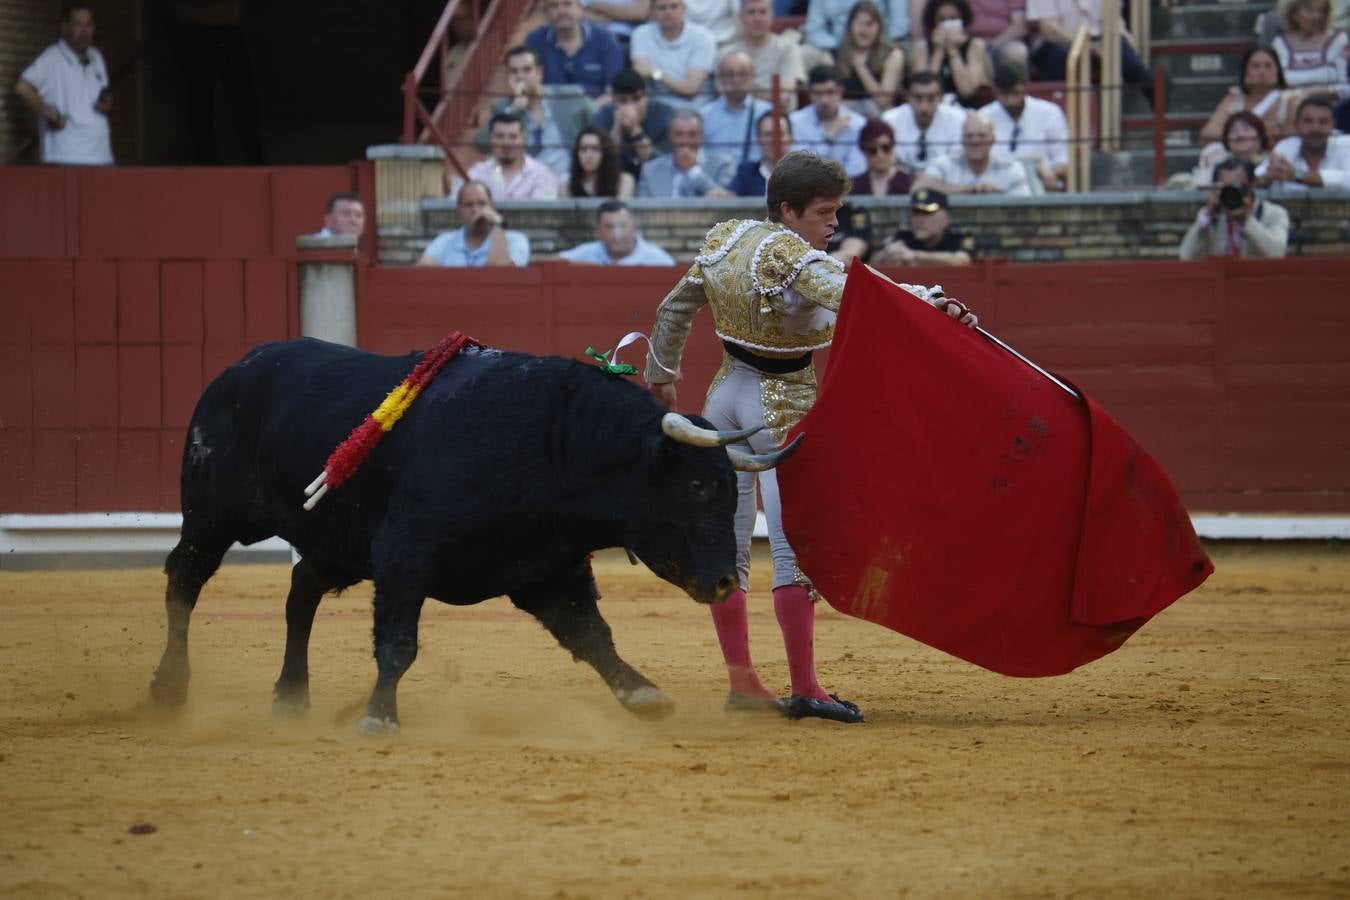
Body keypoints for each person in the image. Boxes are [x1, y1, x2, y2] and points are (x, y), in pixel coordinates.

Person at [642, 151, 977, 724]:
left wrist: (660, 376)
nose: (834, 224)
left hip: (723, 398)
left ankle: (744, 684)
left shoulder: (727, 238)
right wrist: (934, 303)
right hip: (782, 406)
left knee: (730, 541)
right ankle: (805, 687)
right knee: (794, 544)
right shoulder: (793, 257)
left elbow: (674, 307)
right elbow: (857, 293)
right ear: (788, 211)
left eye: (838, 210)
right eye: (824, 212)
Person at [14, 2, 113, 165]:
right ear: (64, 27)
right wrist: (50, 113)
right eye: (78, 25)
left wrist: (106, 102)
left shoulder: (96, 57)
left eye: (88, 25)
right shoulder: (52, 59)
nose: (84, 32)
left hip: (101, 157)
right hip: (67, 158)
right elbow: (22, 88)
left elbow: (103, 91)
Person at [475, 46, 594, 176]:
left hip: (570, 178)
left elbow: (600, 127)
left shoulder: (570, 96)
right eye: (513, 72)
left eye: (526, 70)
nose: (520, 76)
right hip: (527, 184)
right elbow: (482, 143)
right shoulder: (504, 108)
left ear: (539, 73)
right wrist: (514, 109)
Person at [1025, 0, 1153, 105]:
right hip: (1058, 43)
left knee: (1122, 51)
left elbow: (1114, 17)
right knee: (1059, 56)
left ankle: (1159, 108)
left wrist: (1123, 34)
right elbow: (1049, 29)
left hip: (1097, 39)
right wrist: (1085, 47)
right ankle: (1061, 113)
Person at [978, 62, 1069, 192]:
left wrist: (1045, 170)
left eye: (1015, 93)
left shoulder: (1050, 113)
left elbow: (1064, 164)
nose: (1010, 100)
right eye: (1004, 94)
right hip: (996, 187)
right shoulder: (983, 116)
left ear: (1026, 87)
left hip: (1040, 184)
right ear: (996, 91)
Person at [1179, 157, 1290, 260]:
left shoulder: (1273, 213)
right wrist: (1207, 216)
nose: (1232, 193)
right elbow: (1186, 256)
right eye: (1226, 188)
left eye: (1237, 187)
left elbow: (1277, 254)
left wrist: (1247, 221)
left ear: (1252, 185)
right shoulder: (1212, 216)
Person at [1197, 45, 1300, 146]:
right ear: (1245, 73)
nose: (1262, 72)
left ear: (1278, 72)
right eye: (1255, 66)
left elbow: (1291, 139)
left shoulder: (1290, 100)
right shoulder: (1234, 99)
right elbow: (1207, 135)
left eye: (1268, 66)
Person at [526, 0, 625, 99]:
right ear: (546, 13)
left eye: (567, 4)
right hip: (549, 107)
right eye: (554, 6)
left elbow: (613, 91)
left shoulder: (605, 39)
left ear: (580, 9)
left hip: (596, 108)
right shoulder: (535, 40)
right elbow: (528, 86)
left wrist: (588, 111)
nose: (561, 11)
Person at [914, 110, 1031, 194]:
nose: (975, 141)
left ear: (993, 139)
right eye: (969, 136)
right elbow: (917, 188)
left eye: (982, 136)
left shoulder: (1010, 167)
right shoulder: (945, 163)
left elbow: (1025, 205)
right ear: (962, 139)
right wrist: (962, 190)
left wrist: (998, 195)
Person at [417, 181, 531, 267]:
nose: (476, 210)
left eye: (482, 204)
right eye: (468, 205)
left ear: (492, 207)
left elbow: (501, 272)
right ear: (459, 211)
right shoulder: (444, 241)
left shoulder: (516, 240)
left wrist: (497, 224)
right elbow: (422, 271)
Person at [630, 0, 719, 108]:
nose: (668, 13)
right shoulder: (641, 34)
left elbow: (690, 90)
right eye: (662, 8)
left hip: (694, 110)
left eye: (674, 6)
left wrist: (655, 73)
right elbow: (642, 75)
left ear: (684, 9)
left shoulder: (703, 38)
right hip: (655, 107)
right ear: (652, 12)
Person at [722, 0, 806, 111]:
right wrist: (765, 93)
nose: (757, 19)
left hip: (778, 120)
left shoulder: (788, 49)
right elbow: (722, 96)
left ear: (772, 16)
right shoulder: (726, 53)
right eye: (751, 12)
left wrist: (742, 91)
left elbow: (782, 97)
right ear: (740, 17)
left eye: (763, 12)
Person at [1255, 93, 1350, 189]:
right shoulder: (1286, 146)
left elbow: (1346, 180)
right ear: (1296, 124)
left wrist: (1297, 175)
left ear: (1333, 125)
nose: (1315, 128)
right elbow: (1258, 178)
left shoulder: (1346, 145)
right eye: (1308, 121)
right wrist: (1268, 176)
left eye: (1323, 122)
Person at [592, 69, 677, 175]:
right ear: (613, 99)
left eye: (636, 99)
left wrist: (634, 130)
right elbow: (602, 164)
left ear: (646, 95)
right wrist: (617, 128)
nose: (630, 106)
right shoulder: (603, 117)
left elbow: (658, 166)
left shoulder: (666, 116)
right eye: (623, 100)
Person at [789, 65, 869, 176]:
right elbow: (802, 167)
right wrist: (830, 135)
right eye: (818, 93)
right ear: (810, 93)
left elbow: (856, 169)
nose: (824, 100)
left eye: (829, 92)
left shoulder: (858, 123)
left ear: (840, 91)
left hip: (848, 190)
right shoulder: (796, 121)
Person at [912, 0, 994, 108]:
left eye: (953, 19)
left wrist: (953, 51)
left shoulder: (975, 46)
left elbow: (967, 91)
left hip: (968, 109)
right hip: (931, 110)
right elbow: (924, 88)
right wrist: (938, 51)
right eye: (942, 20)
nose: (948, 25)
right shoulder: (922, 48)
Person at [636, 108, 737, 196]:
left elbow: (726, 205)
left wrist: (693, 172)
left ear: (701, 137)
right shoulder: (649, 170)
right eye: (679, 134)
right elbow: (642, 213)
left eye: (692, 134)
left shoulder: (722, 164)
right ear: (669, 137)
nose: (685, 141)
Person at [882, 71, 969, 170]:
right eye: (918, 98)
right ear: (908, 97)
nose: (924, 107)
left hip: (944, 179)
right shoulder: (890, 120)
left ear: (940, 98)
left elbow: (958, 161)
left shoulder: (957, 119)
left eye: (930, 99)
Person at [466, 113, 561, 200]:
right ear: (490, 139)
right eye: (500, 136)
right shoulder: (477, 174)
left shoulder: (542, 175)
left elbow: (541, 217)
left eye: (513, 137)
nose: (506, 143)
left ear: (524, 140)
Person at [835, 1, 907, 116]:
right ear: (850, 27)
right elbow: (831, 101)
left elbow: (883, 101)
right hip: (845, 119)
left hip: (878, 118)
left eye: (869, 24)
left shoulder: (893, 56)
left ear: (879, 27)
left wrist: (860, 68)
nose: (863, 30)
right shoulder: (835, 56)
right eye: (859, 24)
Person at [700, 51, 773, 163]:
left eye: (742, 73)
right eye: (729, 74)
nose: (736, 79)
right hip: (716, 178)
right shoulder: (704, 115)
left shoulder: (768, 112)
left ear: (753, 77)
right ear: (719, 78)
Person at [873, 187, 977, 265]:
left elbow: (962, 260)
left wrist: (915, 255)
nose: (920, 219)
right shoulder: (904, 236)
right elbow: (874, 261)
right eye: (916, 213)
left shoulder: (959, 237)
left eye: (928, 213)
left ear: (945, 219)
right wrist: (887, 254)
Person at [559, 200, 677, 264]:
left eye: (622, 226)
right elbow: (549, 265)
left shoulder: (658, 260)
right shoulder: (588, 252)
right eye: (609, 227)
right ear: (598, 232)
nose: (617, 234)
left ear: (633, 227)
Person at [1182, 110, 1273, 189]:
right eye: (1233, 131)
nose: (1240, 135)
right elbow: (1203, 186)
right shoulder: (1217, 157)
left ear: (1260, 136)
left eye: (1246, 129)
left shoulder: (1272, 162)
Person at [1271, 0, 1350, 91]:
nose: (1316, 17)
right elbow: (1275, 84)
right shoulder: (1279, 44)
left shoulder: (1338, 40)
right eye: (1309, 11)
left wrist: (1312, 93)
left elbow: (1345, 85)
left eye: (1320, 11)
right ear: (1294, 14)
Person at [729, 111, 794, 195]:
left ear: (791, 139)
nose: (773, 140)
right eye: (768, 134)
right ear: (758, 141)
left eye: (779, 134)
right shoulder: (746, 172)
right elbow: (729, 193)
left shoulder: (803, 174)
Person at [562, 125, 637, 197]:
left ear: (606, 153)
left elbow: (621, 209)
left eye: (595, 149)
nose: (588, 155)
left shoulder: (624, 181)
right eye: (584, 149)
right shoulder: (566, 187)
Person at [851, 118, 915, 195]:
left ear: (893, 147)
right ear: (864, 151)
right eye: (873, 150)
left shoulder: (909, 183)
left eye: (886, 148)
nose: (880, 155)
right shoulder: (854, 186)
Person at [580, 0, 651, 45]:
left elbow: (639, 13)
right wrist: (617, 14)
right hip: (589, 38)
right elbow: (576, 12)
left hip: (627, 40)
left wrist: (594, 4)